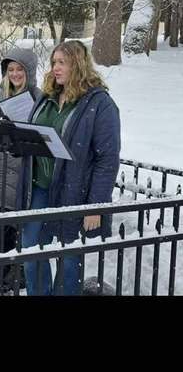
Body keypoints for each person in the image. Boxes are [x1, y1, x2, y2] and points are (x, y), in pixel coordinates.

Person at [20, 39, 121, 295]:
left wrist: (95, 206)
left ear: (77, 64)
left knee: (69, 257)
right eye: (54, 62)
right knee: (32, 250)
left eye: (62, 62)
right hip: (41, 188)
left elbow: (107, 160)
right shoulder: (48, 97)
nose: (55, 68)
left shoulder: (99, 104)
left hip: (74, 191)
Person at [0, 47, 40, 293]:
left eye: (19, 69)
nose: (15, 74)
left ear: (29, 71)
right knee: (5, 227)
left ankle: (19, 274)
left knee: (20, 228)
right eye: (11, 70)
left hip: (22, 172)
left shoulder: (38, 98)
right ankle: (6, 274)